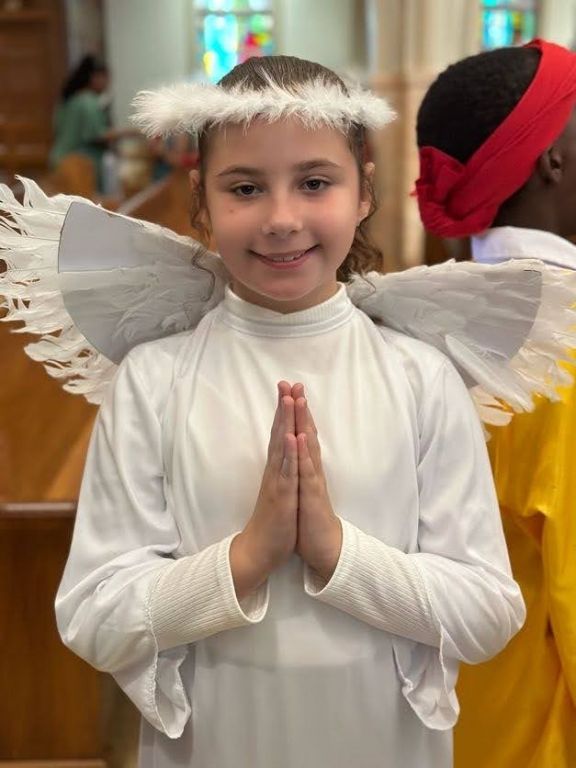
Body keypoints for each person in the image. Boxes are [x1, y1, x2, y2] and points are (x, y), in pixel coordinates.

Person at [49, 55, 526, 768]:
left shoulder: (421, 377)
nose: (281, 219)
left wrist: (336, 552)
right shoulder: (155, 381)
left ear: (363, 190)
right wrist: (247, 558)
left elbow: (488, 610)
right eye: (245, 187)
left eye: (314, 182)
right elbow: (92, 615)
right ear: (202, 203)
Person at [415, 38, 576, 768]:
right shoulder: (560, 343)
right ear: (553, 158)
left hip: (447, 720)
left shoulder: (422, 315)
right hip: (538, 732)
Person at [49, 55, 122, 192]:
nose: (108, 83)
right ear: (95, 78)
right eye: (106, 78)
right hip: (78, 165)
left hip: (60, 160)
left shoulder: (68, 99)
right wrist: (133, 131)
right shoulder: (88, 101)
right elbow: (97, 134)